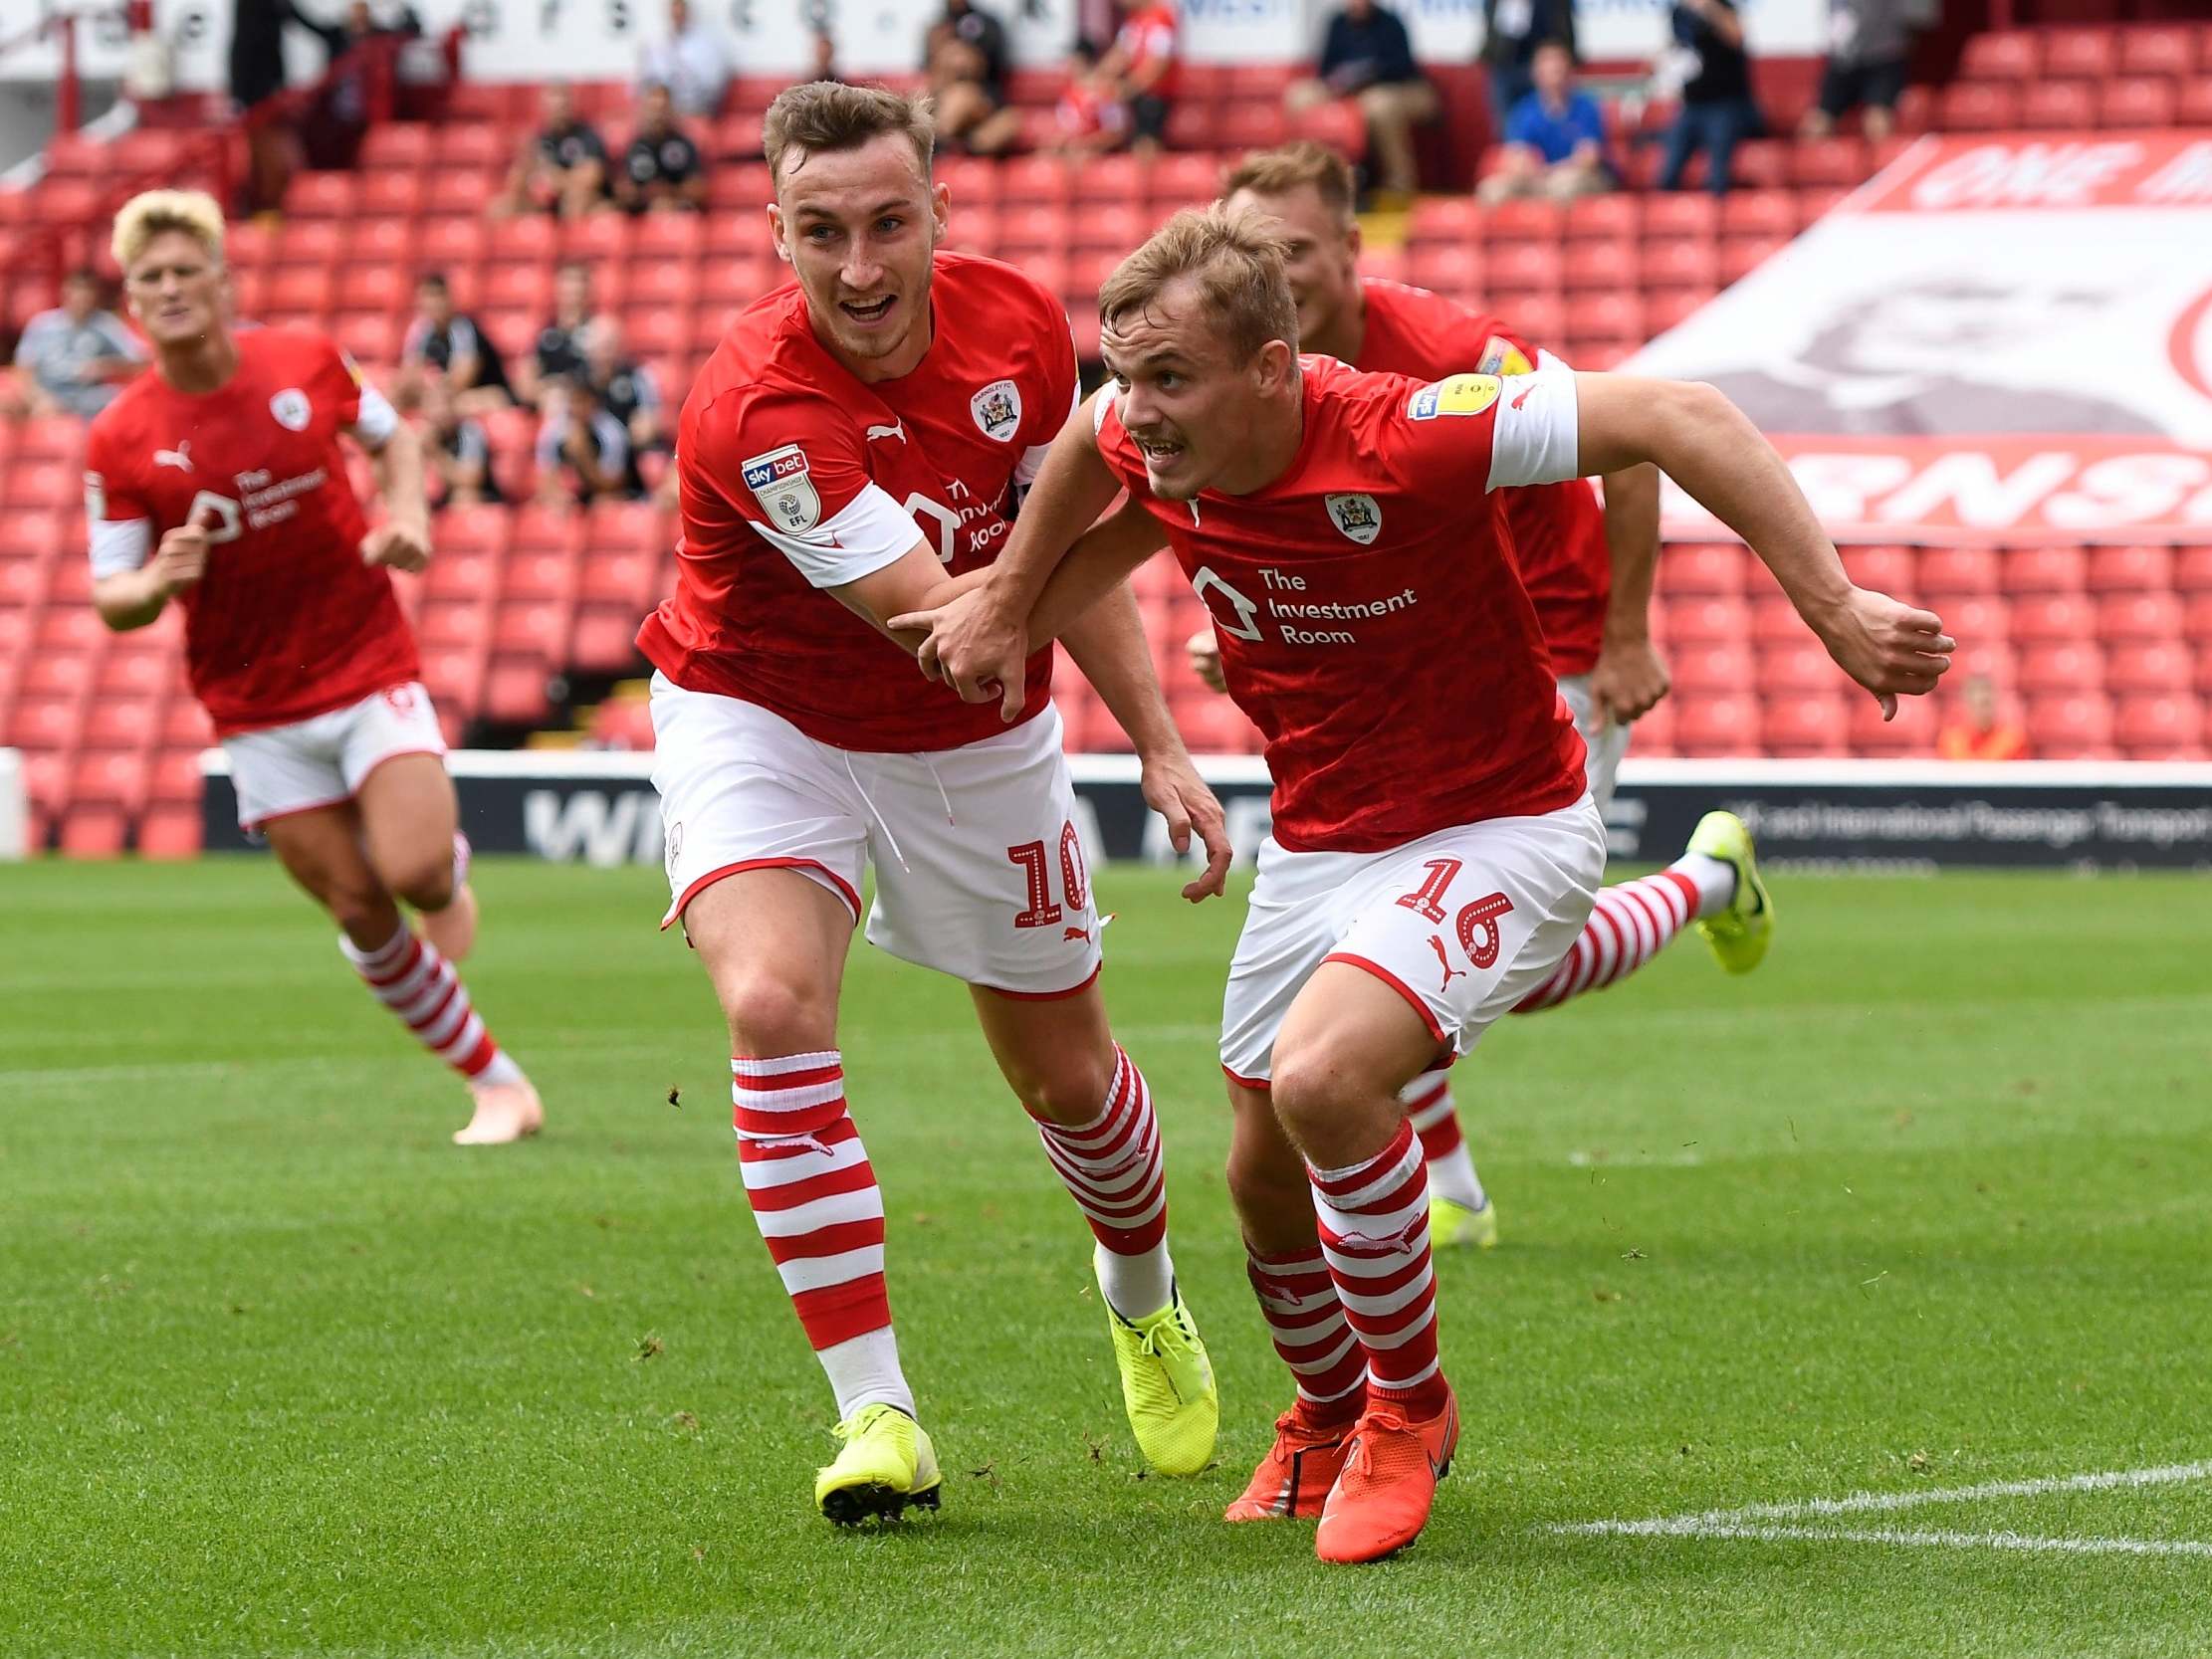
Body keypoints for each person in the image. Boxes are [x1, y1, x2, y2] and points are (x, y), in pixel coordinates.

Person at [890, 205, 1952, 1562]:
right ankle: (1326, 1409)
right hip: (1326, 834)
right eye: (1129, 374)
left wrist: (1832, 604)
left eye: (1170, 380)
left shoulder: (1411, 427)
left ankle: (1410, 1407)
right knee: (1260, 1169)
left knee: (1327, 1075)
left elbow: (1680, 413)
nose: (1134, 410)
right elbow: (1080, 450)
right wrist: (1010, 590)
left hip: (1504, 819)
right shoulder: (1136, 432)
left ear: (1272, 370)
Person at [634, 82, 1231, 1526]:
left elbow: (1034, 567)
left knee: (1068, 1082)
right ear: (774, 235)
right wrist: (1162, 509)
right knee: (772, 1000)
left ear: (938, 215)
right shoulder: (754, 408)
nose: (858, 266)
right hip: (765, 716)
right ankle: (874, 1409)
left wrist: (1153, 738)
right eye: (820, 231)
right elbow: (961, 614)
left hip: (982, 739)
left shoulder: (1022, 323)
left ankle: (1141, 1294)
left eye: (887, 223)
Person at [1197, 141, 1762, 1249]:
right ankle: (1450, 1187)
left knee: (1511, 965)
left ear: (1354, 248)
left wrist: (1625, 630)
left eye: (1295, 249)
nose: (1273, 272)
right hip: (1417, 658)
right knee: (1374, 949)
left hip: (1547, 651)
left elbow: (1637, 445)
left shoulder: (1449, 349)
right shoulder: (1253, 378)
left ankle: (1704, 878)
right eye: (1249, 251)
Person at [84, 190, 545, 1147]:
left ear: (223, 280)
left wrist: (409, 515)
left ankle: (448, 877)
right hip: (252, 704)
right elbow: (110, 596)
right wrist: (159, 581)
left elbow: (393, 437)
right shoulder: (119, 437)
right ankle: (497, 1084)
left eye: (184, 270)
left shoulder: (302, 362)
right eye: (149, 278)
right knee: (358, 907)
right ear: (132, 303)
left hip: (361, 655)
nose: (169, 289)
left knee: (414, 872)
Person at [1288, 0, 1436, 201]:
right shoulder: (1337, 23)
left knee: (1379, 104)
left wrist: (1364, 76)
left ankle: (1399, 186)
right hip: (1347, 90)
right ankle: (1301, 176)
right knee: (1300, 94)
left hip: (1394, 88)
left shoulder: (1390, 22)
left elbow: (1402, 68)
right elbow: (1325, 69)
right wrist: (1340, 81)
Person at [1479, 40, 1613, 203]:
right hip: (1538, 178)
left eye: (1559, 69)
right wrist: (1534, 172)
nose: (1555, 75)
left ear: (1570, 72)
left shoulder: (1586, 107)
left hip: (1580, 177)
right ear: (1536, 74)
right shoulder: (1524, 110)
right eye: (1549, 70)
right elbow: (1516, 156)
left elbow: (1588, 159)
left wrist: (1551, 173)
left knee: (1564, 185)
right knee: (1492, 189)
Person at [1656, 0, 1760, 195]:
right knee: (1667, 173)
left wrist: (1709, 8)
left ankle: (1716, 218)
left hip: (1726, 103)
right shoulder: (1679, 13)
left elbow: (1737, 36)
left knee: (1717, 176)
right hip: (1692, 105)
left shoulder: (1723, 7)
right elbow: (1680, 46)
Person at [9, 270, 144, 419]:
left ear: (96, 296)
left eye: (87, 291)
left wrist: (105, 366)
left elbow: (141, 360)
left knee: (124, 402)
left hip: (88, 395)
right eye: (77, 290)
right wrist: (39, 398)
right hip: (50, 393)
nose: (82, 297)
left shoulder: (105, 325)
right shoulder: (42, 324)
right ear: (65, 292)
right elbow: (23, 370)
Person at [1802, 0, 1923, 142]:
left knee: (1877, 122)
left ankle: (1881, 162)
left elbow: (1916, 22)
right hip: (1843, 62)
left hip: (1884, 59)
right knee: (1815, 126)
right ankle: (1820, 163)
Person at [398, 271, 513, 411]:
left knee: (449, 406)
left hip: (482, 392)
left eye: (437, 296)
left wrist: (431, 383)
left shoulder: (463, 328)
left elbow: (462, 380)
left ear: (449, 299)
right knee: (398, 396)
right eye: (428, 297)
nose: (433, 303)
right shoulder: (421, 330)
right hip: (440, 394)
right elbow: (409, 374)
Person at [495, 83, 609, 220]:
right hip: (545, 199)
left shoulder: (588, 136)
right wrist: (525, 172)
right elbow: (515, 180)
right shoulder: (538, 139)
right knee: (501, 208)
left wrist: (557, 180)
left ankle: (572, 239)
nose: (559, 112)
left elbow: (591, 178)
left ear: (571, 105)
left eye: (563, 106)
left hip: (580, 200)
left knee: (575, 201)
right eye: (554, 107)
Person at [924, 0, 1022, 156]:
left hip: (986, 101)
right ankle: (948, 149)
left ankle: (959, 151)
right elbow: (929, 74)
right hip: (943, 100)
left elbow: (998, 68)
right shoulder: (936, 29)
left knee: (1007, 123)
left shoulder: (988, 25)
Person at [583, 318, 666, 499]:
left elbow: (648, 425)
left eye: (609, 346)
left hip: (628, 464)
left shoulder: (637, 377)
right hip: (588, 461)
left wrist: (643, 425)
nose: (604, 354)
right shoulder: (580, 384)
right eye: (599, 347)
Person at [535, 373, 636, 505]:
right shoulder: (554, 430)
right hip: (569, 498)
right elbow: (546, 476)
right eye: (573, 401)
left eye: (582, 401)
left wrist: (583, 456)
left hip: (603, 497)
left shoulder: (612, 432)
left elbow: (614, 485)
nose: (577, 408)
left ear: (594, 403)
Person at [1479, 0, 1576, 135]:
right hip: (1504, 66)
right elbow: (1492, 32)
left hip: (1542, 65)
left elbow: (1562, 25)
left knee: (1548, 123)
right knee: (1507, 129)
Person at [615, 82, 708, 216]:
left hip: (676, 209)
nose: (657, 115)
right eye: (653, 108)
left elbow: (697, 190)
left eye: (662, 109)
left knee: (663, 208)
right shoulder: (635, 146)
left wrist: (668, 192)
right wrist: (638, 194)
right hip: (642, 211)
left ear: (671, 111)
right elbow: (624, 189)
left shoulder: (683, 145)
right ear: (644, 110)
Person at [518, 263, 603, 407]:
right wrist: (548, 389)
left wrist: (568, 388)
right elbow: (525, 384)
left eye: (578, 283)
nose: (573, 290)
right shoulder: (544, 334)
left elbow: (602, 379)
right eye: (568, 283)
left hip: (587, 407)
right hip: (548, 403)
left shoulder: (598, 332)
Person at [1100, 0, 1179, 155]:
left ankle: (1150, 178)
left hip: (1154, 94)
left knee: (1145, 142)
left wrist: (1129, 87)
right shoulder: (1134, 19)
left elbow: (1159, 63)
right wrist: (1098, 79)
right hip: (1136, 92)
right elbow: (1120, 54)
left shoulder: (1161, 17)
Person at [412, 374, 503, 507]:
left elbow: (469, 480)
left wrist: (435, 452)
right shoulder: (420, 433)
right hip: (435, 497)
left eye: (444, 404)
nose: (440, 412)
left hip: (480, 500)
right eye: (433, 405)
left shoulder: (470, 431)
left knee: (464, 497)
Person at [636, 0, 730, 118]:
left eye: (681, 11)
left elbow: (713, 87)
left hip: (695, 108)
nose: (677, 15)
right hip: (664, 111)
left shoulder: (707, 45)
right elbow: (645, 81)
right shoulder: (655, 43)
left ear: (688, 13)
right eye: (674, 12)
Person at [1052, 38, 1130, 158]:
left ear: (1083, 60)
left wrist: (1086, 144)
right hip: (1074, 152)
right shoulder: (1068, 92)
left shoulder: (1106, 91)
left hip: (1100, 156)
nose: (1068, 63)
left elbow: (1117, 133)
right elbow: (1066, 129)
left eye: (1072, 58)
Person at [1936, 674, 2027, 761]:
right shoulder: (1950, 741)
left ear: (1995, 701)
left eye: (1986, 703)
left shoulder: (2013, 740)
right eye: (1977, 704)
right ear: (1966, 703)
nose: (1982, 711)